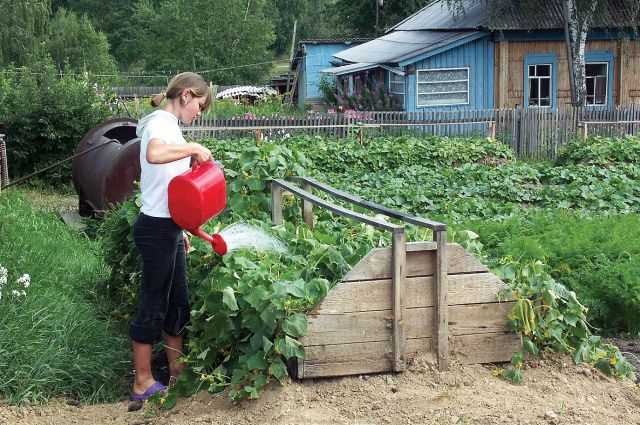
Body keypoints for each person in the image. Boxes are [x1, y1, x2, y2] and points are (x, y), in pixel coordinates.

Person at [130, 72, 212, 402]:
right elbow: (154, 154)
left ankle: (176, 372)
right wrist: (191, 147)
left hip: (169, 228)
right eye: (200, 106)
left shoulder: (171, 126)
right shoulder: (160, 124)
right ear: (187, 95)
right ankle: (142, 381)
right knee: (153, 303)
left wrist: (184, 227)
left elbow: (172, 189)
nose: (199, 114)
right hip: (155, 230)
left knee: (178, 301)